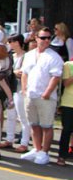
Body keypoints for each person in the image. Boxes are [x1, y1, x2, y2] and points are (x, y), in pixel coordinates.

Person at [20, 27, 63, 165]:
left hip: (45, 97)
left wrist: (47, 93)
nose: (46, 40)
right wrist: (24, 89)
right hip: (30, 95)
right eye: (43, 38)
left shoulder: (54, 57)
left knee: (46, 125)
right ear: (36, 38)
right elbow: (24, 73)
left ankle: (44, 152)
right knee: (34, 124)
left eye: (49, 38)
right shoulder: (29, 55)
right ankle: (37, 149)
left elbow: (56, 76)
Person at [2, 34, 31, 152]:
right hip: (11, 88)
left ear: (17, 42)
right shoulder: (11, 56)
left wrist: (14, 72)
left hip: (20, 89)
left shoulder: (26, 56)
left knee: (22, 116)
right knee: (10, 115)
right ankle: (9, 139)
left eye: (11, 42)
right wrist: (14, 72)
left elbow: (23, 72)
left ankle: (24, 142)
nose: (9, 44)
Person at [57, 60, 73, 166]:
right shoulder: (68, 65)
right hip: (69, 103)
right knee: (67, 130)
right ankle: (62, 156)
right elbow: (66, 83)